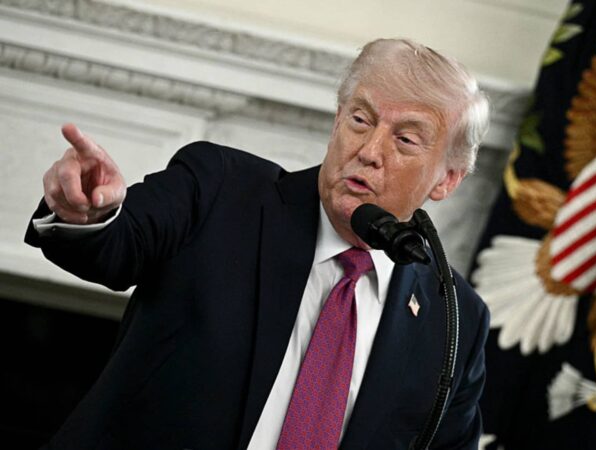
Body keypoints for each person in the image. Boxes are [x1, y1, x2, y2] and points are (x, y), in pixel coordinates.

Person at [25, 38, 490, 450]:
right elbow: (116, 246)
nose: (369, 151)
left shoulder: (455, 322)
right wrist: (87, 213)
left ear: (447, 179)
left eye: (405, 140)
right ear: (337, 121)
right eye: (360, 119)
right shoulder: (221, 191)